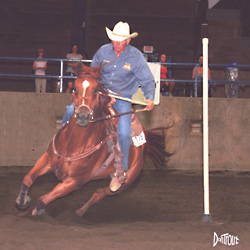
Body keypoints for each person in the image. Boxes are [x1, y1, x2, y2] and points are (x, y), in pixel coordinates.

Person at [61, 21, 155, 192]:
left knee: (125, 131)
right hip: (100, 94)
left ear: (127, 41)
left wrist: (150, 98)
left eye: (120, 41)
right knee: (70, 111)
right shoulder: (103, 51)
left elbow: (147, 79)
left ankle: (121, 170)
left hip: (122, 98)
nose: (116, 44)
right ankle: (61, 149)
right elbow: (91, 73)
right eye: (114, 40)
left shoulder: (136, 57)